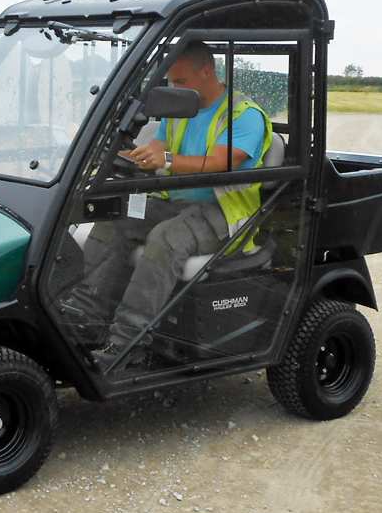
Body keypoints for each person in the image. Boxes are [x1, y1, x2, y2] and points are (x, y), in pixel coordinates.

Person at [66, 40, 274, 371]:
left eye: (180, 82)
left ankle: (126, 343)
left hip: (224, 213)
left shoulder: (244, 116)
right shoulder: (179, 109)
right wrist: (129, 155)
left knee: (165, 239)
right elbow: (158, 149)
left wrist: (164, 159)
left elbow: (223, 161)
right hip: (174, 202)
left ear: (207, 72)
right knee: (115, 217)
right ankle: (82, 317)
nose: (174, 89)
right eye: (171, 83)